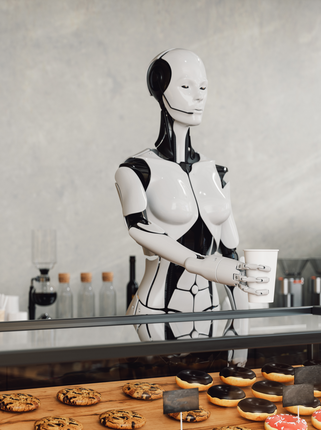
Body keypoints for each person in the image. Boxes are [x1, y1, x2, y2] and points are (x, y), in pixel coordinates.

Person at [114, 49, 270, 359]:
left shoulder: (216, 173)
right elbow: (139, 229)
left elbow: (230, 253)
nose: (198, 97)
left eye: (203, 87)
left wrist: (241, 336)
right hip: (155, 310)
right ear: (160, 90)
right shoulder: (135, 170)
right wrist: (203, 264)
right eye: (186, 87)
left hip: (212, 313)